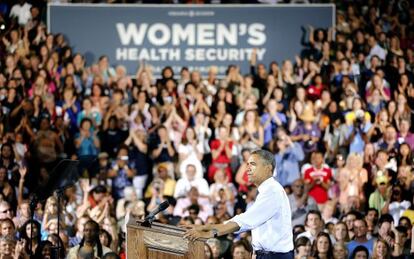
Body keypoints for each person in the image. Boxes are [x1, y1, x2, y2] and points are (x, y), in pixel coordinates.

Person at [184, 149, 293, 258]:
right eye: (247, 164)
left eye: (253, 164)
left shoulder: (272, 191)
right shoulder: (268, 190)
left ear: (268, 168)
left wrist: (209, 232)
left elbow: (245, 221)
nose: (248, 168)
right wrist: (206, 227)